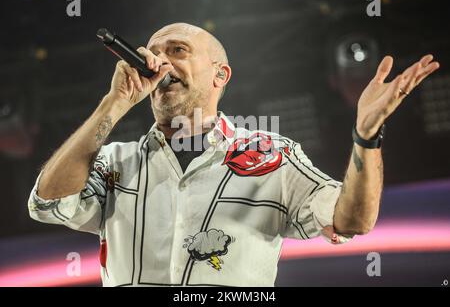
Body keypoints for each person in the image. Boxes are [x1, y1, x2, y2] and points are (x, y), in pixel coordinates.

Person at [27, 23, 439, 286]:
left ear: (220, 75)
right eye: (154, 51)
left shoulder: (270, 155)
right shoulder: (114, 161)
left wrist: (365, 137)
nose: (160, 61)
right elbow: (48, 202)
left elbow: (352, 219)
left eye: (178, 51)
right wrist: (114, 104)